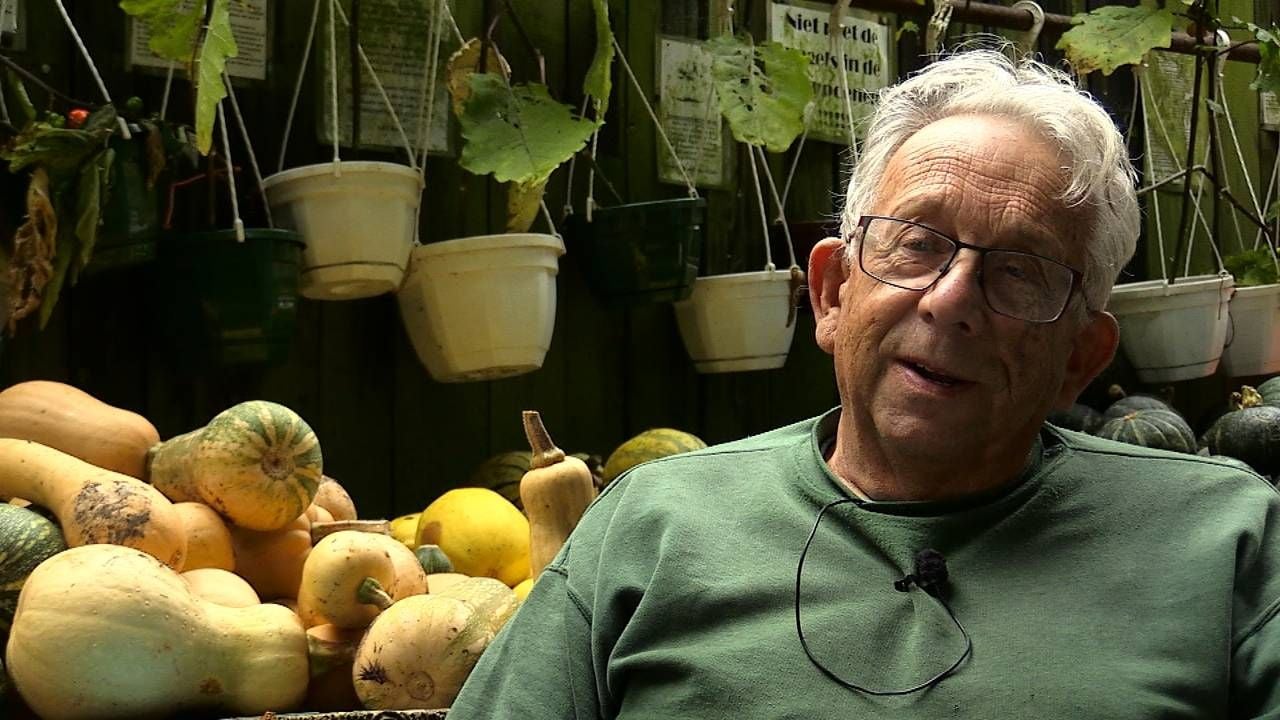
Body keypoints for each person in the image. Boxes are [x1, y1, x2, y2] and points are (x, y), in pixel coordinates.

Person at [447, 48, 1280, 718]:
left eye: (1021, 271)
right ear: (831, 293)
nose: (950, 300)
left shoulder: (1227, 542)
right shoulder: (648, 528)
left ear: (1082, 358)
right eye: (916, 242)